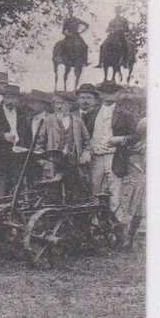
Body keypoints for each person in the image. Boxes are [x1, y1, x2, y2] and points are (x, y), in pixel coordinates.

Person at [89, 80, 137, 217]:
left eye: (113, 92)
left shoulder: (124, 114)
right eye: (107, 92)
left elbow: (136, 136)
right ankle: (95, 227)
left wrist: (121, 139)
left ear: (117, 94)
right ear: (101, 94)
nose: (110, 95)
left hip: (114, 157)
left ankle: (117, 229)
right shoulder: (92, 114)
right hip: (96, 158)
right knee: (94, 192)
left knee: (115, 195)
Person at [35, 91, 92, 200]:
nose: (59, 106)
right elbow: (38, 144)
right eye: (57, 103)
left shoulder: (78, 121)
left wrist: (85, 152)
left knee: (74, 193)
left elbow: (87, 141)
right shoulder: (48, 121)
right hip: (54, 164)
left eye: (62, 103)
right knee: (53, 195)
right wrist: (44, 163)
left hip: (73, 164)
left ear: (70, 105)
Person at [0, 84, 33, 198]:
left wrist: (24, 148)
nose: (11, 101)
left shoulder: (22, 114)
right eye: (8, 97)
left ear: (19, 100)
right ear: (3, 98)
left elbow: (27, 136)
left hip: (17, 160)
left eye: (14, 98)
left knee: (15, 193)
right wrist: (3, 136)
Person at [114, 117, 146, 249]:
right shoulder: (133, 141)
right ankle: (120, 239)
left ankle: (130, 239)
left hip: (144, 177)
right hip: (132, 176)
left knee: (140, 208)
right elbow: (126, 155)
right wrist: (134, 163)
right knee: (125, 206)